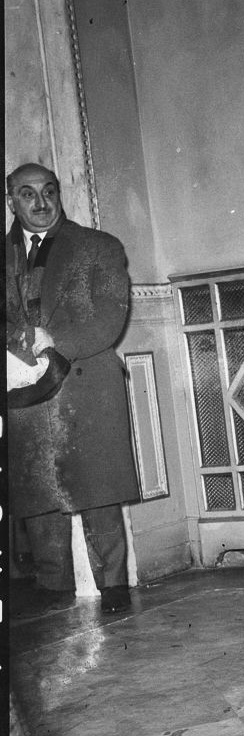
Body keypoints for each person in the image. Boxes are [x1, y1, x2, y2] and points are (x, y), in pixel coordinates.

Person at [5, 163, 140, 615]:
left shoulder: (99, 247)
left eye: (48, 191)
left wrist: (55, 342)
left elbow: (109, 319)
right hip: (22, 387)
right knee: (36, 491)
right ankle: (51, 587)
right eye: (27, 194)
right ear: (11, 202)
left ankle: (115, 588)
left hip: (85, 385)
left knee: (97, 490)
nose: (41, 203)